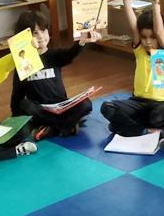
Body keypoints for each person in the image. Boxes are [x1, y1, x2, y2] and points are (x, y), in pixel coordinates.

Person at [9, 10, 100, 140]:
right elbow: (17, 93)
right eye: (35, 33)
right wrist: (15, 119)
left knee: (86, 104)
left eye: (44, 30)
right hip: (40, 110)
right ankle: (66, 126)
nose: (41, 36)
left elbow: (70, 54)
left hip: (61, 106)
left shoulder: (54, 55)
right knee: (25, 105)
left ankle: (51, 128)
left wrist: (82, 42)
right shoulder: (23, 63)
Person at [100, 0, 164, 136]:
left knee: (159, 115)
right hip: (137, 102)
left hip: (160, 104)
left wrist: (155, 4)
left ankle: (126, 126)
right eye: (144, 37)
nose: (147, 42)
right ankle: (142, 129)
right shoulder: (140, 50)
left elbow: (159, 32)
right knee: (106, 107)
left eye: (152, 37)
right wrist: (126, 1)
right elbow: (134, 27)